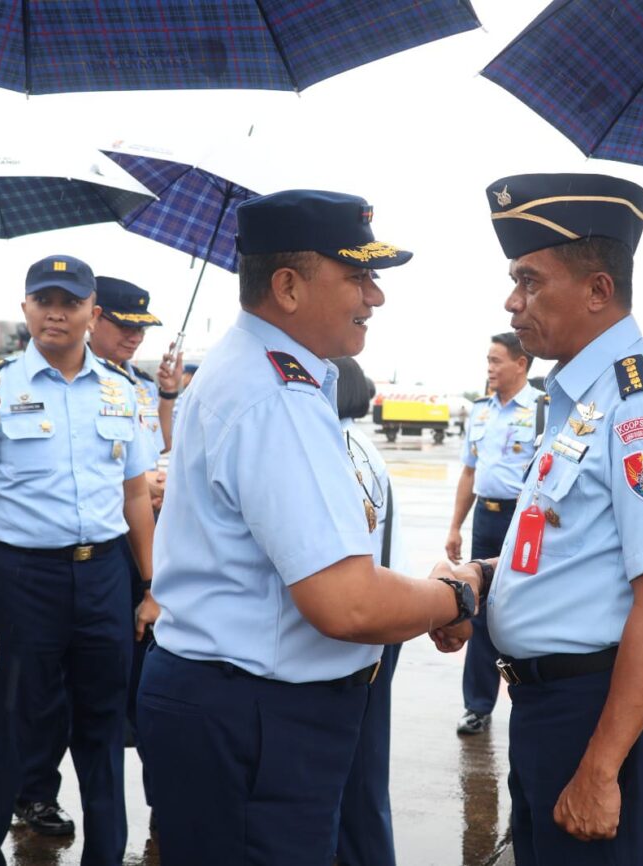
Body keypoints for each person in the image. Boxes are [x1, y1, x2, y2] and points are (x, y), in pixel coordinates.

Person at [138, 189, 486, 864]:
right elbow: (347, 603)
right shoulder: (276, 398)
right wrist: (460, 593)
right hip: (257, 719)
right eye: (357, 275)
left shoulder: (265, 376)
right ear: (288, 286)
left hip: (241, 708)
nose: (375, 296)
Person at [467, 173, 643, 865]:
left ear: (599, 290)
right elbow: (566, 548)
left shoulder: (642, 405)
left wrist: (601, 769)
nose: (513, 304)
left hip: (604, 718)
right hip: (553, 711)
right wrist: (481, 579)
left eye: (530, 282)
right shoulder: (580, 394)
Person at [0, 255, 158, 866]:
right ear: (26, 309)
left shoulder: (124, 389)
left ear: (94, 311)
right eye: (44, 300)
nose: (55, 312)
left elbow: (136, 495)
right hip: (20, 580)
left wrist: (151, 586)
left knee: (102, 733)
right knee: (0, 735)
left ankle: (106, 856)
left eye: (69, 301)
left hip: (104, 578)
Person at [11, 274, 182, 835]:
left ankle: (127, 815)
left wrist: (167, 400)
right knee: (45, 692)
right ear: (97, 317)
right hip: (51, 561)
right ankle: (35, 791)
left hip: (123, 555)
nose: (134, 338)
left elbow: (148, 465)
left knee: (114, 692)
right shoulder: (27, 382)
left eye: (142, 330)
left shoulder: (126, 388)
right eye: (126, 326)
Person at [445, 331, 541, 735]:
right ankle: (478, 706)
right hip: (486, 516)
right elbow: (469, 471)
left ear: (521, 364)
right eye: (487, 360)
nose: (489, 368)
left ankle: (535, 697)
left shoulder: (543, 409)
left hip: (525, 520)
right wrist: (455, 525)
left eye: (496, 360)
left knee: (527, 608)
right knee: (478, 610)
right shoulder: (482, 411)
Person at [333, 355, 405, 866]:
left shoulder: (334, 449)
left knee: (351, 777)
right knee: (364, 774)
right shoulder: (362, 448)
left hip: (358, 628)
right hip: (384, 620)